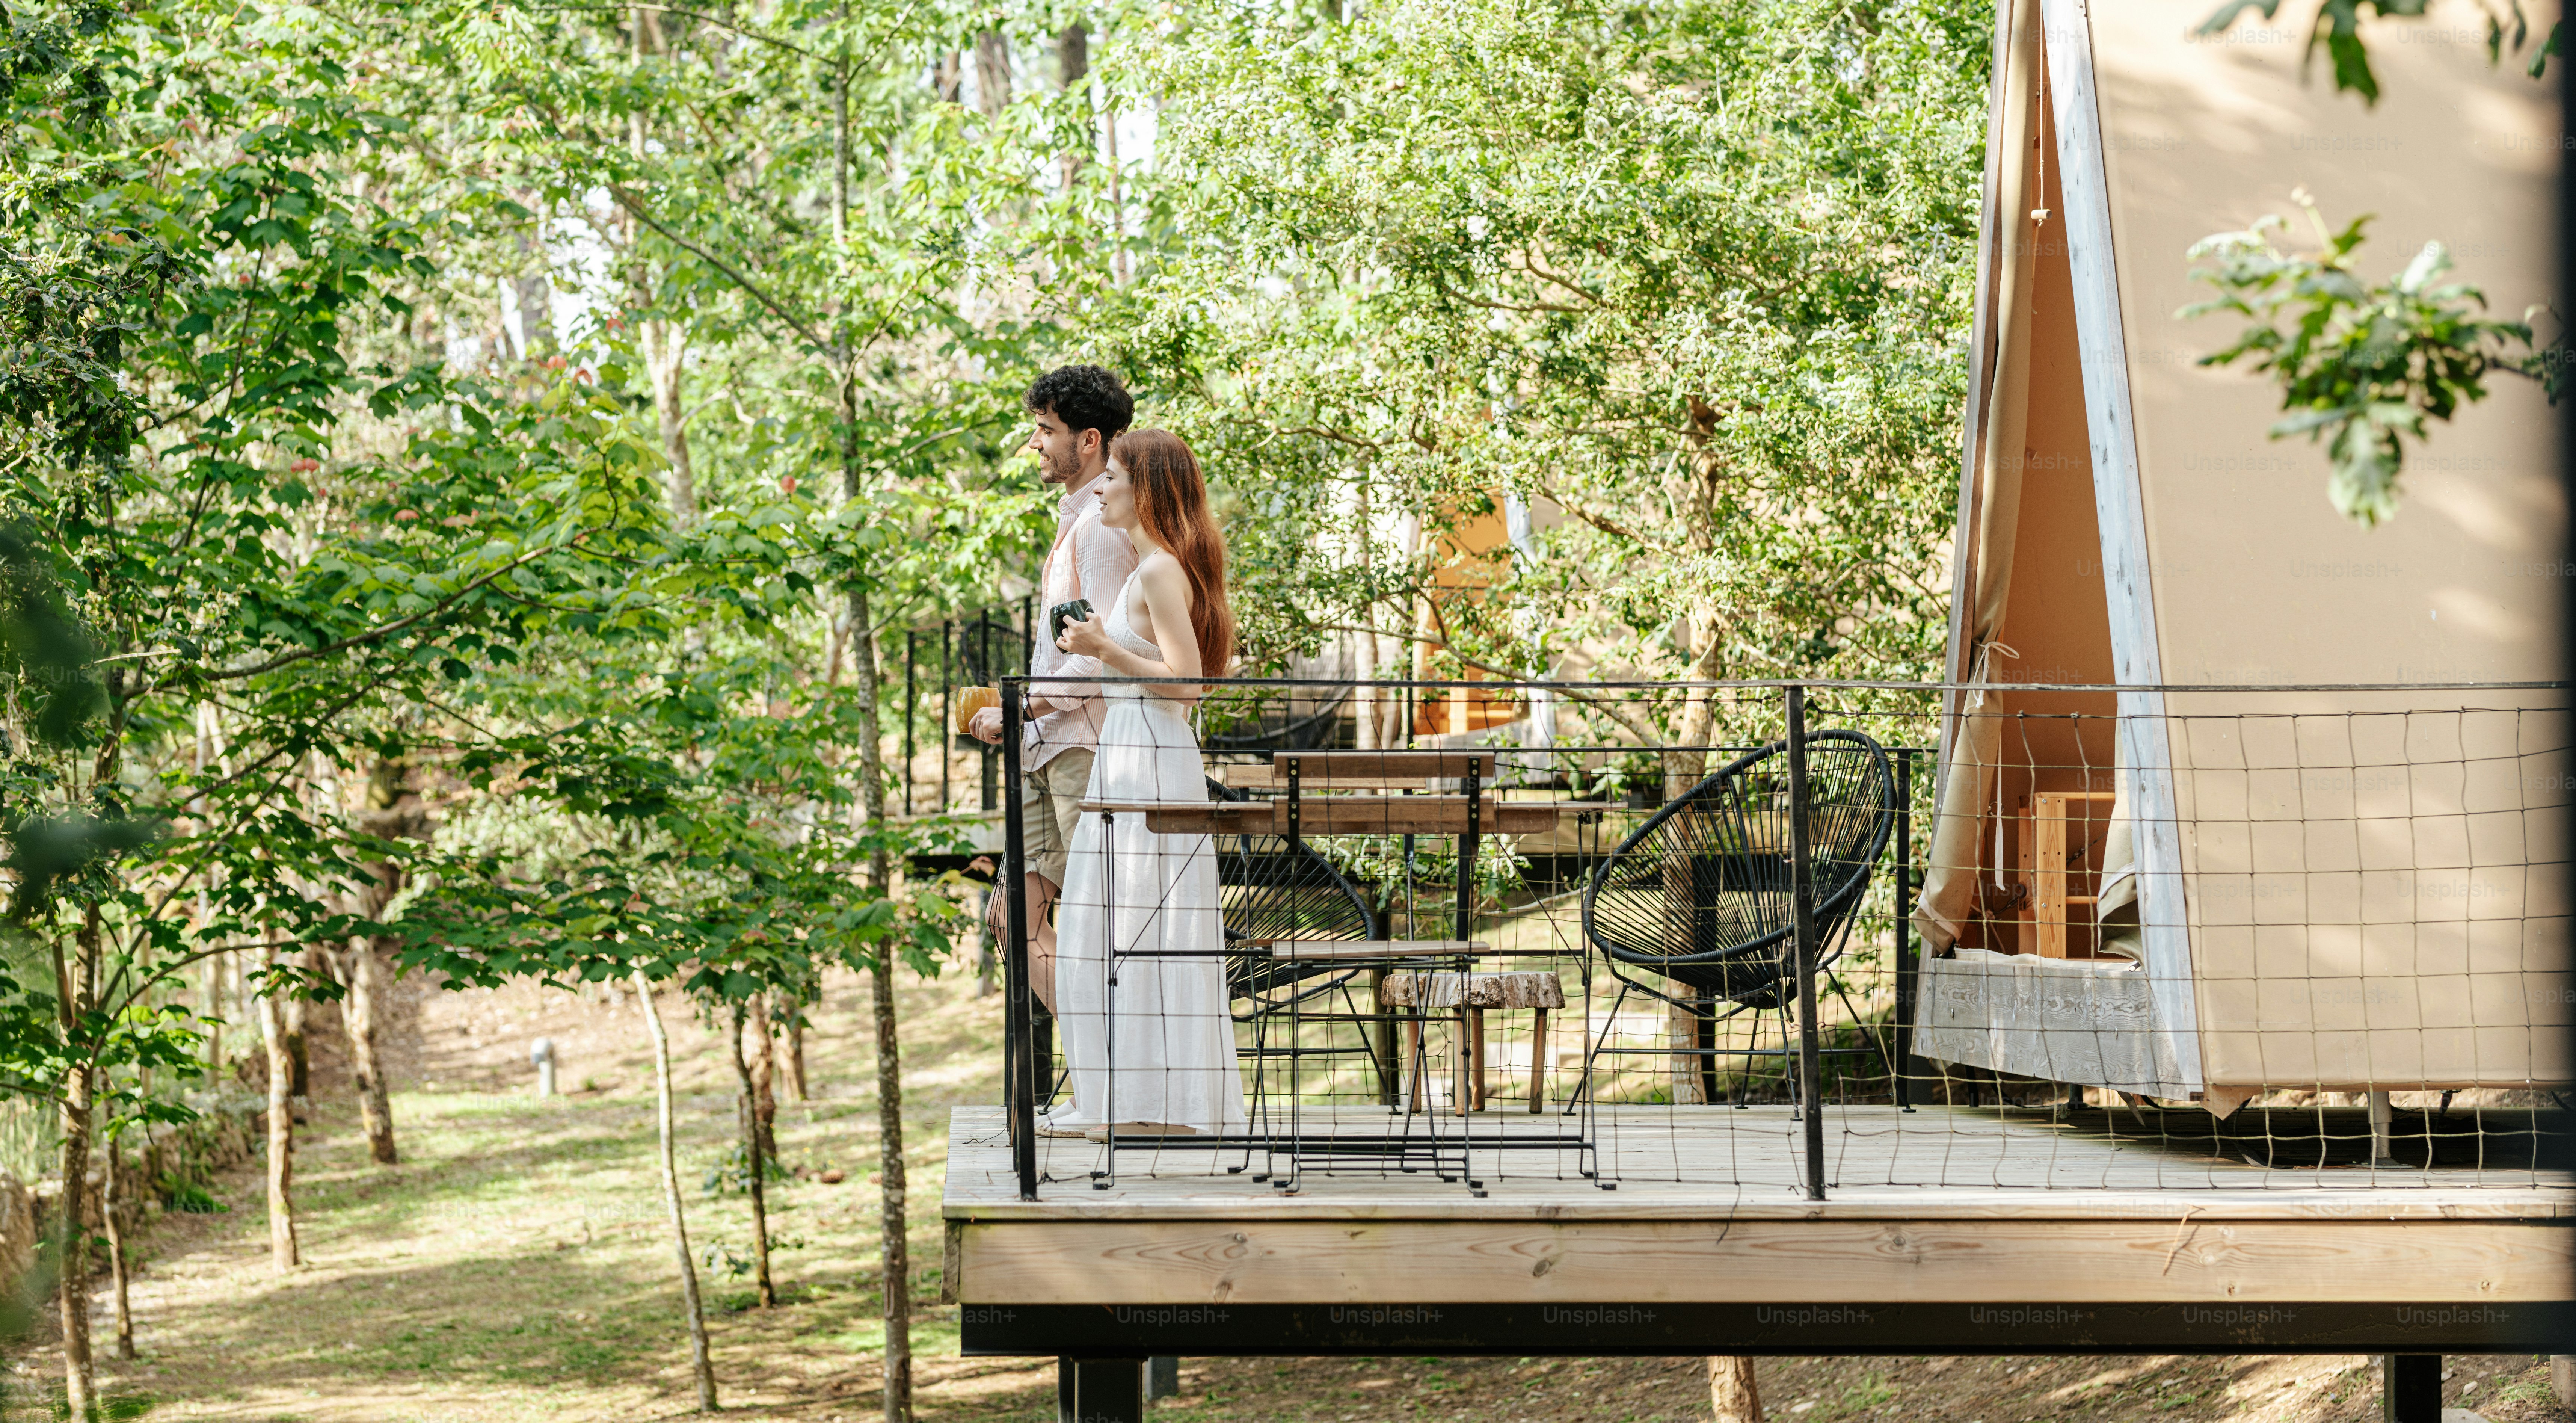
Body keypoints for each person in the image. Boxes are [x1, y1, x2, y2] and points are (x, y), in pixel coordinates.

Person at [1044, 429, 1245, 1139]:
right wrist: (1096, 647)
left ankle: (1159, 1110)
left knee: (1145, 924)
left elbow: (1189, 686)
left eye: (1114, 477)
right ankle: (1123, 1101)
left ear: (1146, 490)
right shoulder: (1148, 567)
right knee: (1113, 925)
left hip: (1155, 755)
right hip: (1129, 751)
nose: (1101, 487)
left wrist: (1102, 649)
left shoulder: (1162, 570)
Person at [968, 365, 1138, 1020]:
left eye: (1046, 430)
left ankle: (1110, 1076)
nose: (1035, 443)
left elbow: (1096, 660)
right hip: (1049, 748)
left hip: (1083, 751)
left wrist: (1018, 708)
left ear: (1088, 440)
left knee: (1100, 928)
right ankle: (1100, 1070)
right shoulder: (1078, 518)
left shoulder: (1100, 526)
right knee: (1011, 916)